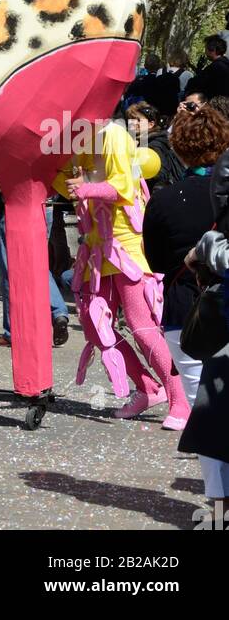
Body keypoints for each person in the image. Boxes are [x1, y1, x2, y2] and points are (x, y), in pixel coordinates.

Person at [55, 116, 190, 427]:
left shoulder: (113, 133)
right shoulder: (71, 141)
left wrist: (85, 187)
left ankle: (180, 398)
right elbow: (63, 182)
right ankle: (146, 388)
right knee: (94, 325)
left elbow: (124, 187)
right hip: (94, 245)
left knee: (142, 325)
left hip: (126, 243)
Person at [142, 101, 229, 501]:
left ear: (177, 147)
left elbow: (157, 260)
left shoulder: (164, 199)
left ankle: (218, 501)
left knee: (204, 410)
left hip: (187, 311)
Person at [0, 196, 69, 348]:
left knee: (9, 271)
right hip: (45, 206)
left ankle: (12, 332)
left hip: (17, 208)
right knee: (38, 267)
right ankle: (59, 313)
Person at [126, 101, 185, 189]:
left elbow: (160, 175)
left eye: (138, 120)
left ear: (151, 124)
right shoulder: (138, 141)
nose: (133, 123)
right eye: (131, 119)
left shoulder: (154, 145)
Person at [184, 36, 229, 101]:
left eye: (206, 48)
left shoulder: (216, 66)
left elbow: (197, 82)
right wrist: (197, 68)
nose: (205, 52)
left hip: (215, 104)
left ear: (212, 50)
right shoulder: (224, 64)